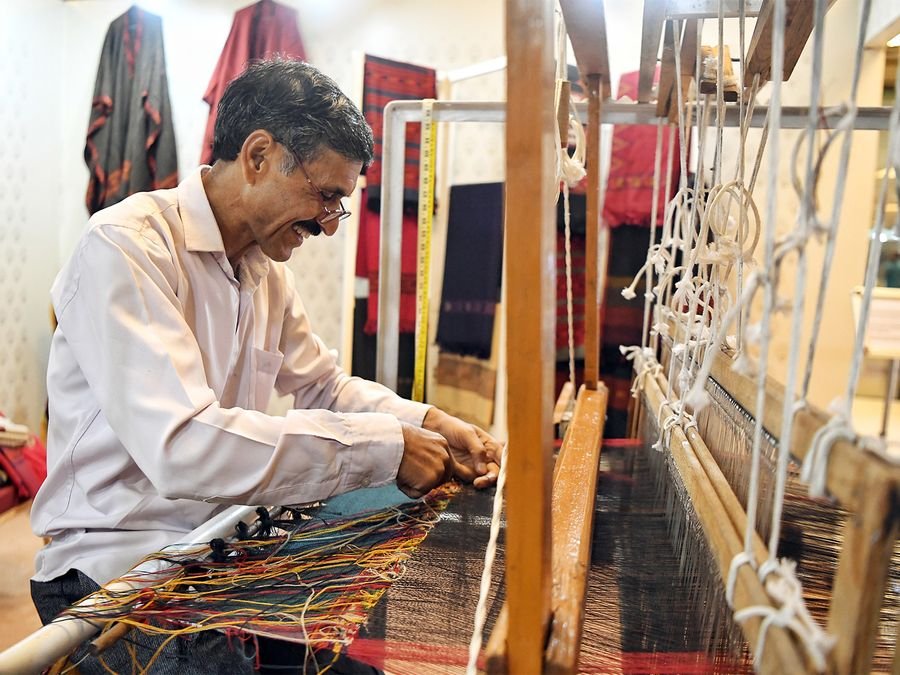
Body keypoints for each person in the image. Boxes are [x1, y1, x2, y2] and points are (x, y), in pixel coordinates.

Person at [30, 59, 501, 673]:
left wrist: (429, 422)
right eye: (326, 196)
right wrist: (385, 448)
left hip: (218, 548)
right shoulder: (126, 247)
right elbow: (181, 445)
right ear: (258, 156)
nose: (329, 225)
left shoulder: (264, 270)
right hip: (113, 570)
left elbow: (323, 386)